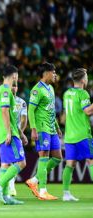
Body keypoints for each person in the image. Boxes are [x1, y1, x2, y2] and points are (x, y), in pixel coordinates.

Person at [0, 65, 27, 205]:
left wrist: (20, 133)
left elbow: (5, 115)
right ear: (14, 76)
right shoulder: (6, 91)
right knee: (21, 162)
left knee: (5, 164)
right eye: (16, 77)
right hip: (8, 133)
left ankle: (6, 196)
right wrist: (9, 132)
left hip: (2, 132)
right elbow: (5, 112)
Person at [26, 62, 62, 200]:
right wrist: (33, 129)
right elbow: (31, 110)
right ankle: (42, 191)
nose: (55, 75)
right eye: (53, 72)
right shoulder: (37, 89)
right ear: (46, 73)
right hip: (42, 128)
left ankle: (34, 180)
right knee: (44, 157)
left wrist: (57, 127)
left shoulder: (51, 89)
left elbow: (51, 110)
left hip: (52, 128)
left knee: (58, 157)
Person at [62, 68, 93, 201]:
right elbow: (87, 111)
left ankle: (66, 193)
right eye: (86, 77)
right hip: (82, 134)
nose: (87, 79)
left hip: (69, 136)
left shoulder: (67, 93)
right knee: (91, 161)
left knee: (70, 164)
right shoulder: (83, 93)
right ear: (82, 80)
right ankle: (67, 194)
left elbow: (64, 117)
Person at [7, 81, 28, 197]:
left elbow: (24, 119)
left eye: (15, 86)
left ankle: (8, 186)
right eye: (12, 85)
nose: (13, 88)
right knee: (11, 162)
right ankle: (7, 187)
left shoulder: (21, 102)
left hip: (16, 134)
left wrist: (21, 132)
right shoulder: (4, 101)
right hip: (6, 134)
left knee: (16, 162)